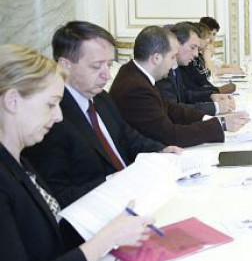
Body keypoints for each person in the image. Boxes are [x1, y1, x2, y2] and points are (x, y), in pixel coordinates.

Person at [0, 44, 152, 261]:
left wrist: (111, 228)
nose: (59, 116)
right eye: (50, 104)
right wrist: (105, 239)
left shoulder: (18, 159)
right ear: (12, 100)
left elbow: (46, 238)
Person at [23, 21, 181, 208]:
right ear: (65, 65)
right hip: (101, 210)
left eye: (109, 65)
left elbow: (127, 136)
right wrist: (114, 181)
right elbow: (59, 196)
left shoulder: (100, 97)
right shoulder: (50, 118)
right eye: (97, 66)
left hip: (135, 194)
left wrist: (160, 150)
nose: (107, 75)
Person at [110, 26, 250, 148]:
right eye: (172, 57)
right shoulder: (136, 88)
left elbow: (170, 109)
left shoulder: (135, 73)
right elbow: (170, 135)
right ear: (156, 58)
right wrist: (221, 124)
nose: (173, 64)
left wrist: (209, 118)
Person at [156, 22, 236, 116]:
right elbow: (173, 110)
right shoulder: (163, 70)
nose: (196, 54)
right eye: (192, 47)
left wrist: (211, 96)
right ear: (176, 43)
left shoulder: (175, 66)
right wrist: (216, 107)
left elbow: (184, 95)